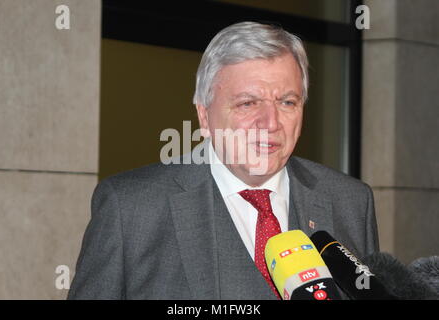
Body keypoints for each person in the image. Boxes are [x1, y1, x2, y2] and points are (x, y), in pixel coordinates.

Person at [68, 21, 379, 300]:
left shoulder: (351, 202)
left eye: (287, 102)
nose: (270, 122)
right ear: (204, 115)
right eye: (247, 103)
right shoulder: (130, 209)